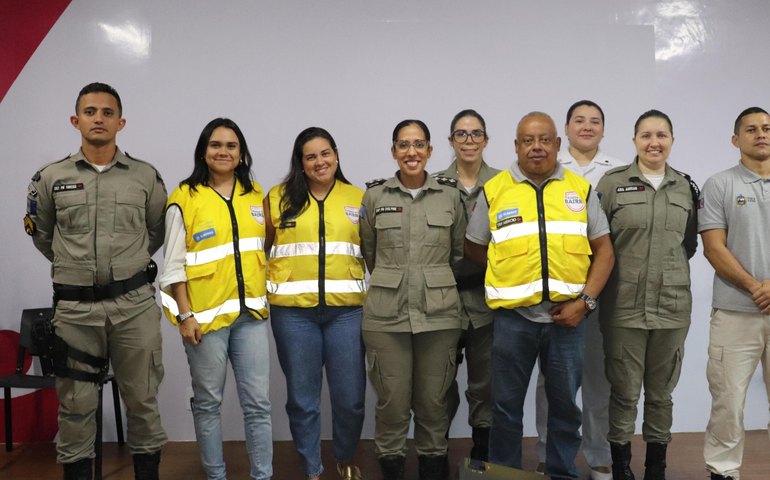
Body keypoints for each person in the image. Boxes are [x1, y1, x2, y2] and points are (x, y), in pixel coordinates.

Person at [24, 82, 167, 480]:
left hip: (134, 307)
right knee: (75, 405)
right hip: (75, 312)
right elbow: (42, 234)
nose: (98, 118)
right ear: (76, 120)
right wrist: (76, 269)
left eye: (107, 112)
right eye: (90, 112)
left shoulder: (145, 176)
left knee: (142, 399)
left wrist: (126, 268)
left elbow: (156, 232)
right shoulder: (51, 177)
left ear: (120, 122)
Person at [465, 112, 614, 480]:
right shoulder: (496, 189)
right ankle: (506, 475)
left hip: (568, 320)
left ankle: (562, 473)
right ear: (516, 146)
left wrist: (585, 302)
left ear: (557, 145)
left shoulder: (579, 189)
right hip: (513, 320)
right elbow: (473, 248)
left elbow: (605, 252)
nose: (536, 147)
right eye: (528, 140)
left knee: (565, 409)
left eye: (544, 140)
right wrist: (510, 275)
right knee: (505, 410)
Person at [159, 118, 273, 480]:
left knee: (258, 405)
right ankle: (216, 476)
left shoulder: (256, 194)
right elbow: (173, 266)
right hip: (204, 323)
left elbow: (264, 248)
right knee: (208, 405)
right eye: (215, 145)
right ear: (204, 152)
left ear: (241, 154)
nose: (223, 151)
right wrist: (185, 316)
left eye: (231, 146)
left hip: (250, 317)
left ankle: (262, 476)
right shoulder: (183, 198)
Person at [360, 119, 466, 480]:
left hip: (439, 315)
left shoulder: (450, 195)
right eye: (403, 145)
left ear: (430, 151)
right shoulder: (375, 196)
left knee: (434, 403)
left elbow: (457, 253)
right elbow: (369, 253)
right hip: (386, 317)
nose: (411, 152)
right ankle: (391, 466)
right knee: (391, 405)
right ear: (393, 151)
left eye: (419, 144)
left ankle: (432, 467)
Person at [595, 109, 698, 480]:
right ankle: (622, 469)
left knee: (661, 395)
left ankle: (656, 468)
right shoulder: (611, 184)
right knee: (623, 393)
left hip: (672, 308)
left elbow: (686, 246)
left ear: (671, 140)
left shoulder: (686, 187)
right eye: (646, 135)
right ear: (635, 140)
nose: (654, 142)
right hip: (623, 308)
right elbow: (597, 244)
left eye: (662, 135)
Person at [264, 127, 366, 480]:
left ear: (336, 154)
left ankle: (345, 458)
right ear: (301, 163)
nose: (319, 161)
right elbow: (260, 250)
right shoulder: (277, 198)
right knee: (303, 399)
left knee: (350, 398)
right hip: (293, 315)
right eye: (311, 156)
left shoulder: (359, 198)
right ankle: (312, 468)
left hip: (347, 312)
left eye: (325, 153)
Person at [534, 100, 623, 479]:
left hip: (600, 289)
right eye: (579, 121)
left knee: (598, 378)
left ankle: (599, 454)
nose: (587, 127)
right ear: (565, 130)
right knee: (550, 381)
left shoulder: (618, 170)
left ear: (603, 130)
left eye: (595, 122)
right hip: (556, 291)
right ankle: (545, 452)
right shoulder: (549, 167)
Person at [700, 107, 770, 480]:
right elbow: (714, 247)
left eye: (767, 128)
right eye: (751, 129)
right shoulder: (720, 184)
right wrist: (755, 287)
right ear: (735, 139)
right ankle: (723, 472)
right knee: (728, 402)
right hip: (734, 314)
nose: (761, 134)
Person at [435, 109, 499, 461]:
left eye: (476, 134)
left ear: (486, 140)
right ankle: (436, 455)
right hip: (442, 302)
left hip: (487, 302)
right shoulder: (432, 184)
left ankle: (482, 457)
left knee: (485, 386)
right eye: (461, 134)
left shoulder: (505, 184)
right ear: (450, 141)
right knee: (438, 385)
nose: (469, 141)